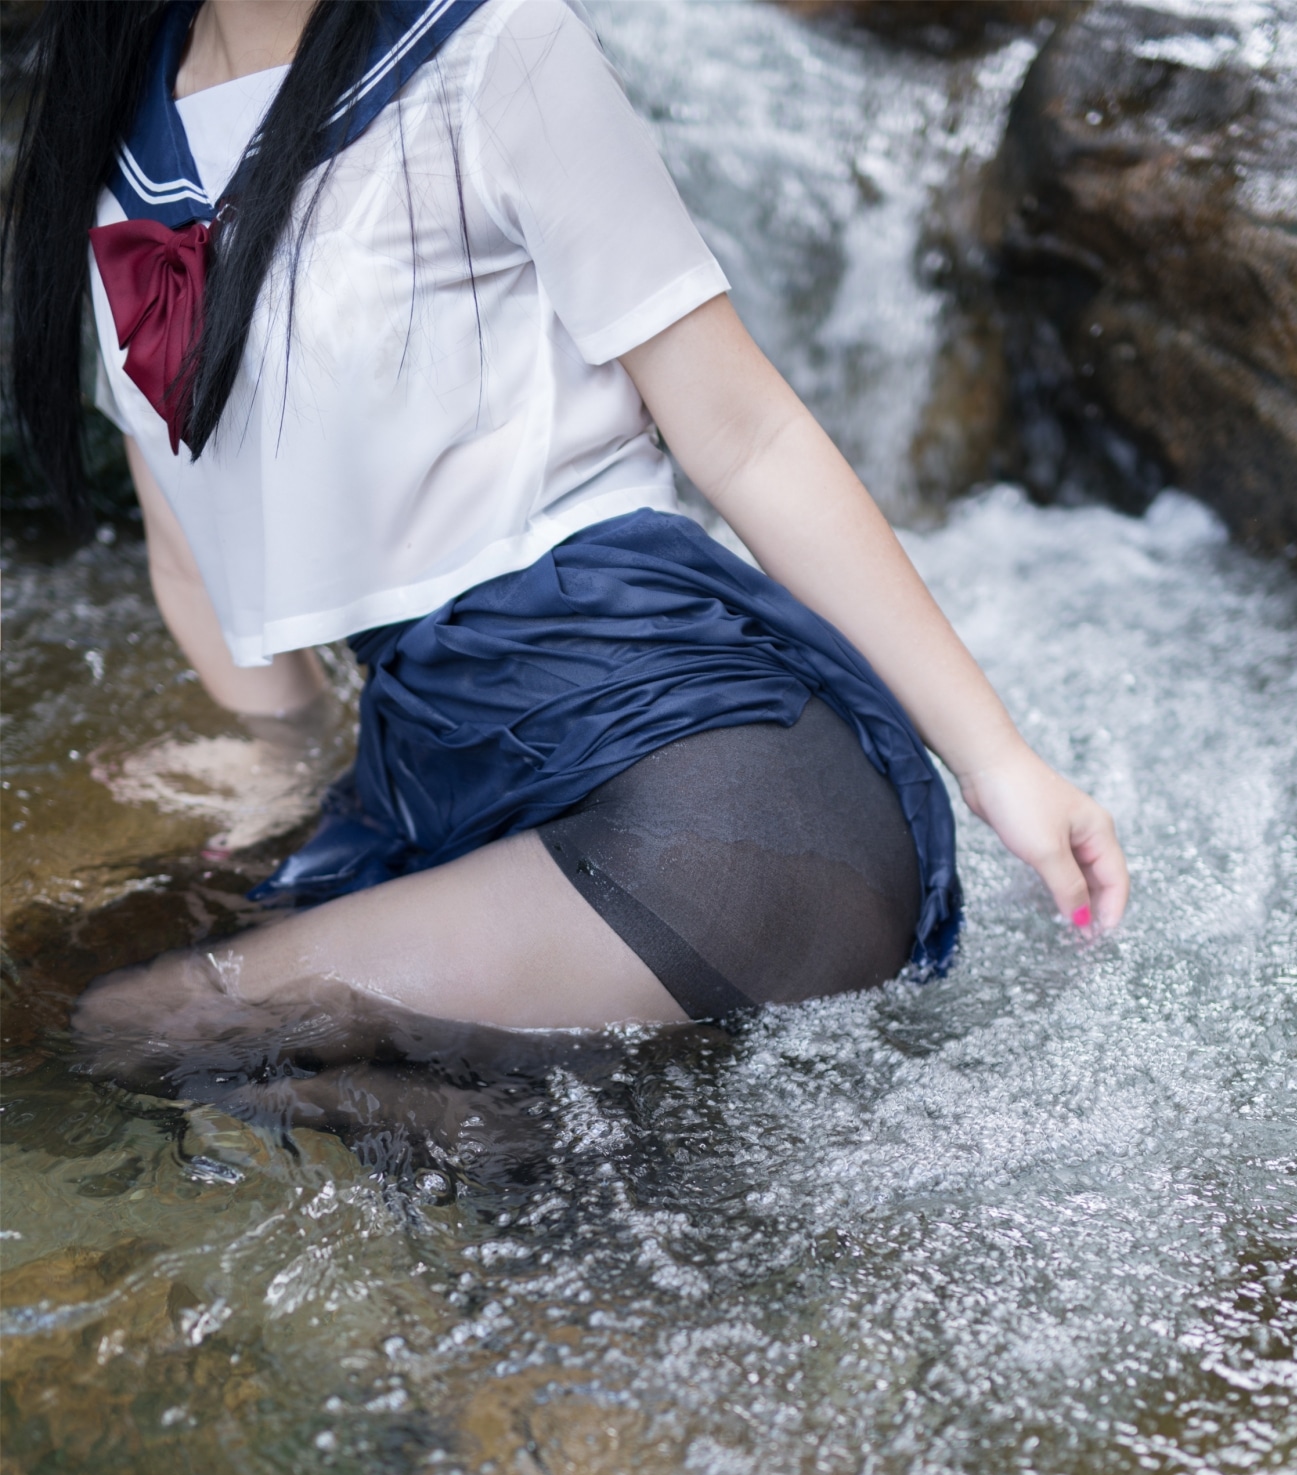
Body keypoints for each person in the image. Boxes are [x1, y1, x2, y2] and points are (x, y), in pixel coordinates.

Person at [7, 0, 1128, 1063]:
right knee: (319, 1103)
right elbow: (186, 543)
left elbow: (747, 436)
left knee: (136, 1025)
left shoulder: (493, 45)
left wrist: (997, 759)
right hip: (464, 795)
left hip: (722, 813)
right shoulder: (113, 134)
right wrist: (281, 761)